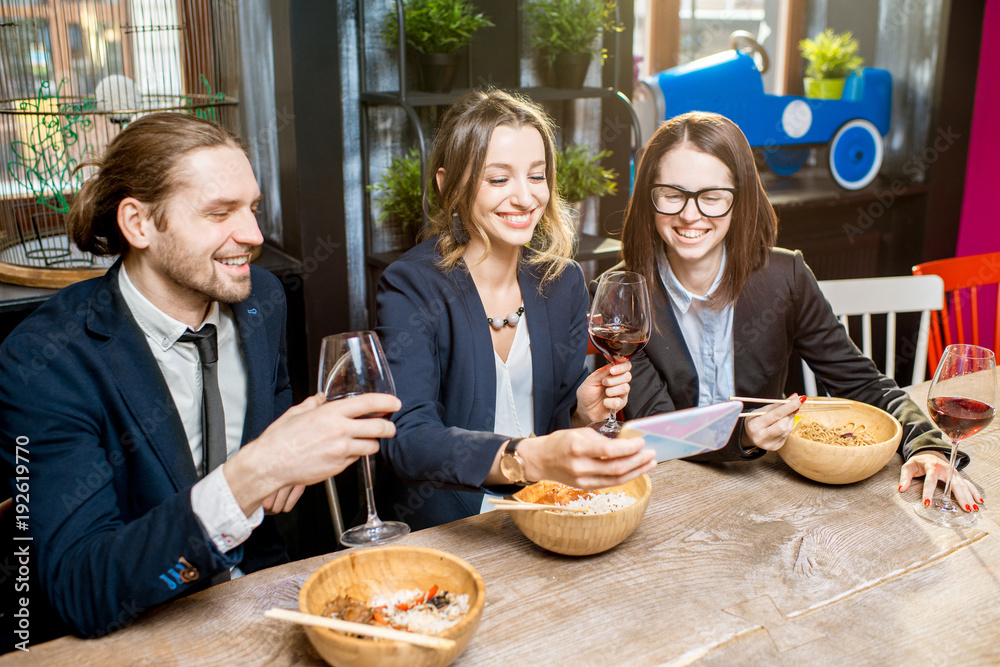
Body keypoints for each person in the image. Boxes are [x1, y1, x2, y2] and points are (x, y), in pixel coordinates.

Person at [0, 113, 400, 641]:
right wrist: (256, 471)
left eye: (252, 208)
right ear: (139, 223)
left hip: (264, 605)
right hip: (140, 633)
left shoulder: (261, 299)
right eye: (219, 213)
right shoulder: (42, 361)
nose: (253, 235)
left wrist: (292, 458)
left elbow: (269, 437)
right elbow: (82, 593)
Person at [615, 110, 982, 512]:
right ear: (648, 195)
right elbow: (660, 431)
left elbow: (863, 385)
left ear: (740, 199)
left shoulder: (785, 276)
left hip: (770, 491)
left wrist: (926, 445)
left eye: (712, 197)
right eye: (672, 193)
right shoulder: (622, 293)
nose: (690, 214)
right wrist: (744, 435)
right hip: (666, 494)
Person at [375, 89, 656, 530]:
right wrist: (520, 458)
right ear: (448, 184)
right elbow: (407, 440)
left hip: (546, 512)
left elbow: (556, 420)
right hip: (450, 529)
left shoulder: (561, 283)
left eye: (537, 176)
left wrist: (582, 411)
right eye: (499, 179)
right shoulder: (411, 286)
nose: (526, 198)